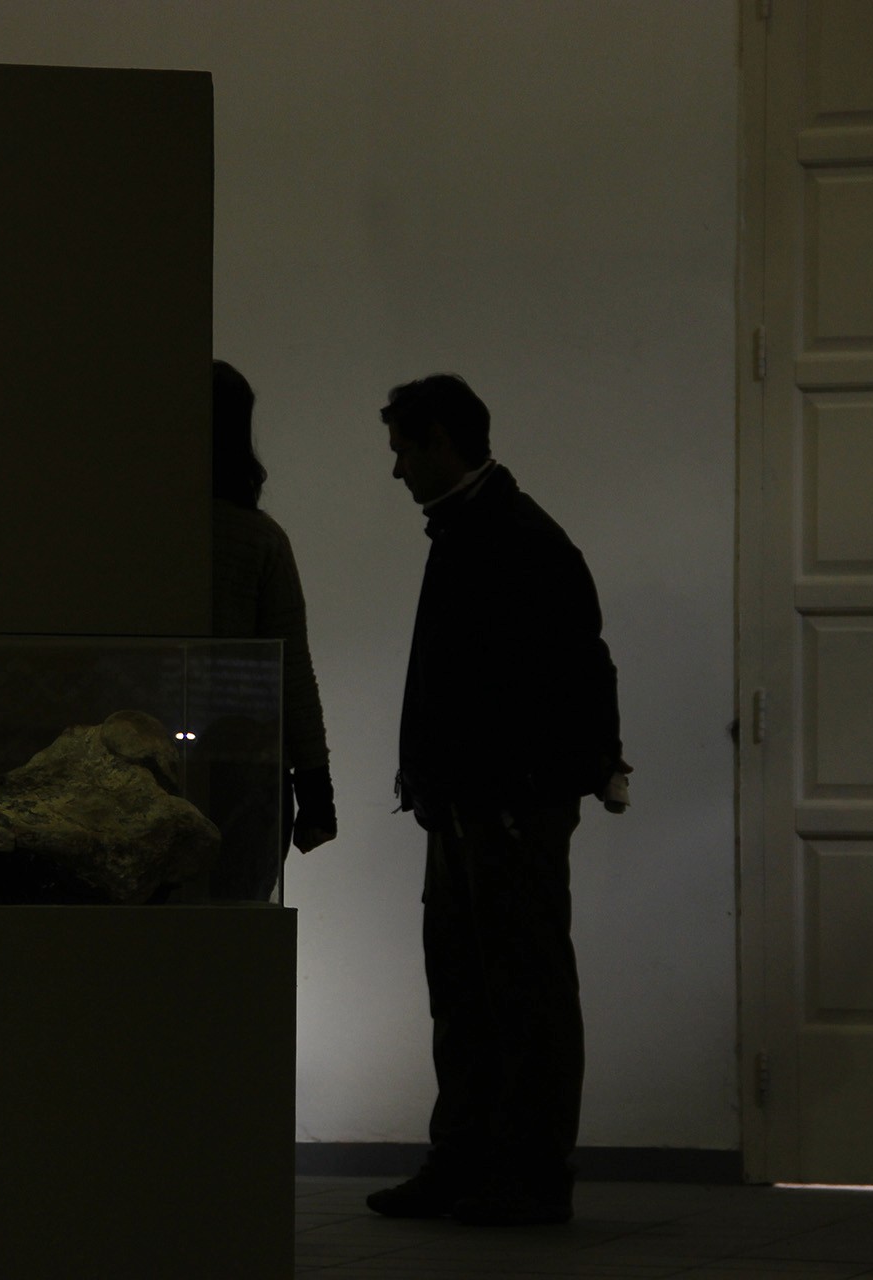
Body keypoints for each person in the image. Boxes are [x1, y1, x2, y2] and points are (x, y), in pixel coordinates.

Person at [366, 374, 626, 1227]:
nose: (397, 469)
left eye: (405, 448)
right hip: (472, 805)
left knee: (519, 989)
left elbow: (571, 673)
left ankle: (525, 1173)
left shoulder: (511, 536)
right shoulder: (487, 528)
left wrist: (529, 788)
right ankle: (476, 1163)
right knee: (474, 986)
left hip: (501, 806)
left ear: (441, 440)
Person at [208, 360, 336, 900]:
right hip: (243, 771)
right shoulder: (260, 540)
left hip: (146, 756)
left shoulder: (143, 535)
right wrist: (315, 790)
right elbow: (292, 671)